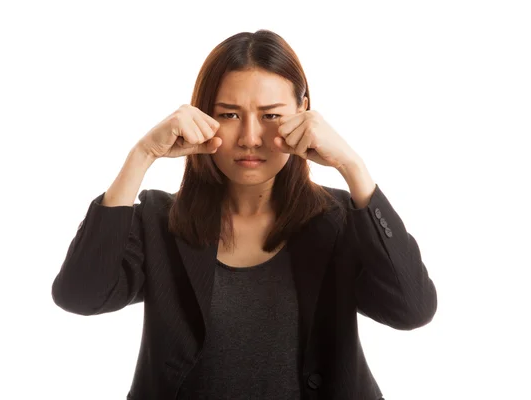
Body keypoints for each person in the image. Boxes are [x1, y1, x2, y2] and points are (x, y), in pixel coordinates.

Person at [51, 29, 437, 400]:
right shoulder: (158, 220)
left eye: (270, 115)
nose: (250, 137)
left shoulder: (338, 220)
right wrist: (141, 157)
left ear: (304, 113)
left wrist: (354, 168)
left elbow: (412, 310)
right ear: (203, 116)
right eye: (230, 114)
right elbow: (80, 296)